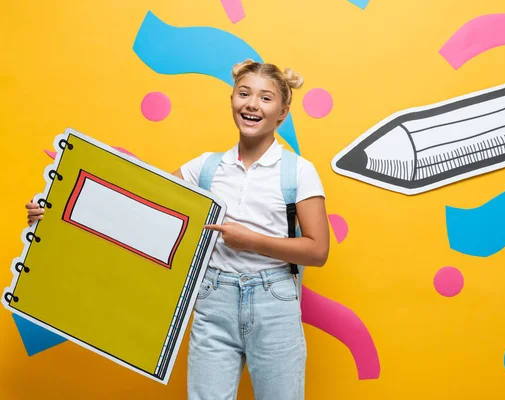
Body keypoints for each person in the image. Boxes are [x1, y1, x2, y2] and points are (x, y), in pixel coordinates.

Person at [25, 59, 330, 400]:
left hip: (275, 303)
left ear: (282, 113)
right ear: (232, 99)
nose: (252, 104)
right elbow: (140, 208)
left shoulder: (298, 172)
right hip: (214, 301)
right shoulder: (205, 168)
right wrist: (54, 210)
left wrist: (251, 241)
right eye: (244, 94)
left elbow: (317, 251)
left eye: (265, 98)